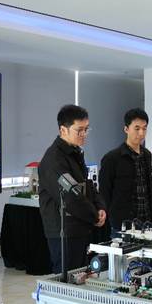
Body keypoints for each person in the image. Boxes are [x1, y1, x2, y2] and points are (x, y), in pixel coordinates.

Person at [38, 105, 106, 274]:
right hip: (64, 231)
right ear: (63, 130)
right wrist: (93, 216)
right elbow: (71, 196)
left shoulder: (74, 153)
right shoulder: (54, 159)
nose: (84, 134)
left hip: (79, 227)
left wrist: (100, 207)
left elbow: (87, 185)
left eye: (86, 129)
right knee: (67, 280)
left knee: (81, 276)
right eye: (79, 130)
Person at [99, 108, 152, 237]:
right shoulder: (112, 158)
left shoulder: (147, 155)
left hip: (146, 223)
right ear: (126, 129)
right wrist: (111, 220)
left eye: (144, 128)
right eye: (137, 128)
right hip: (122, 225)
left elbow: (148, 189)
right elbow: (104, 193)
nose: (141, 133)